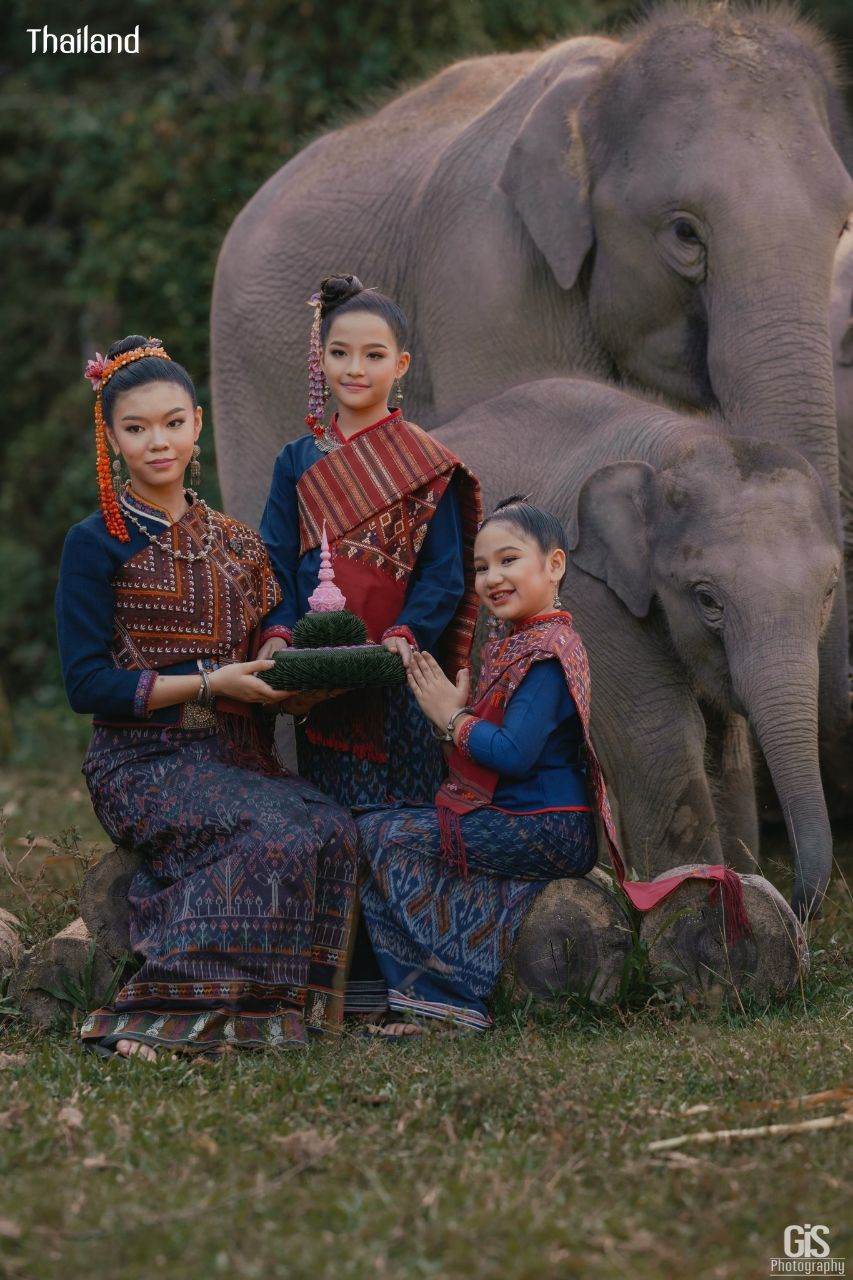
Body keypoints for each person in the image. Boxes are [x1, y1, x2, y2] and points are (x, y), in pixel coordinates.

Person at [56, 335, 359, 1060]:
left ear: (197, 425)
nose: (156, 442)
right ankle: (159, 1008)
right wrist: (207, 682)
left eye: (171, 423)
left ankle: (280, 1012)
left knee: (331, 825)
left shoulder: (237, 542)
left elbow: (275, 618)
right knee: (275, 832)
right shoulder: (95, 544)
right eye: (136, 428)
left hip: (235, 751)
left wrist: (283, 663)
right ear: (113, 439)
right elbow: (85, 683)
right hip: (141, 760)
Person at [357, 496, 753, 1035]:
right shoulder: (516, 643)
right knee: (384, 825)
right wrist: (450, 719)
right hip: (522, 818)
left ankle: (445, 1003)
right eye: (480, 567)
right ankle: (419, 991)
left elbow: (515, 756)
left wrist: (452, 719)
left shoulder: (547, 652)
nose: (492, 577)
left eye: (508, 560)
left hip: (547, 828)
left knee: (385, 837)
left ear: (555, 565)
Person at [257, 273, 482, 810]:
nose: (355, 369)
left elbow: (445, 572)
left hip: (398, 670)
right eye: (340, 353)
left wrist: (408, 632)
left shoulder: (426, 463)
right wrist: (279, 630)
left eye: (374, 355)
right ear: (321, 360)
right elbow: (276, 561)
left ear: (401, 365)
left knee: (403, 819)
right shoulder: (296, 460)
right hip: (319, 672)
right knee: (328, 815)